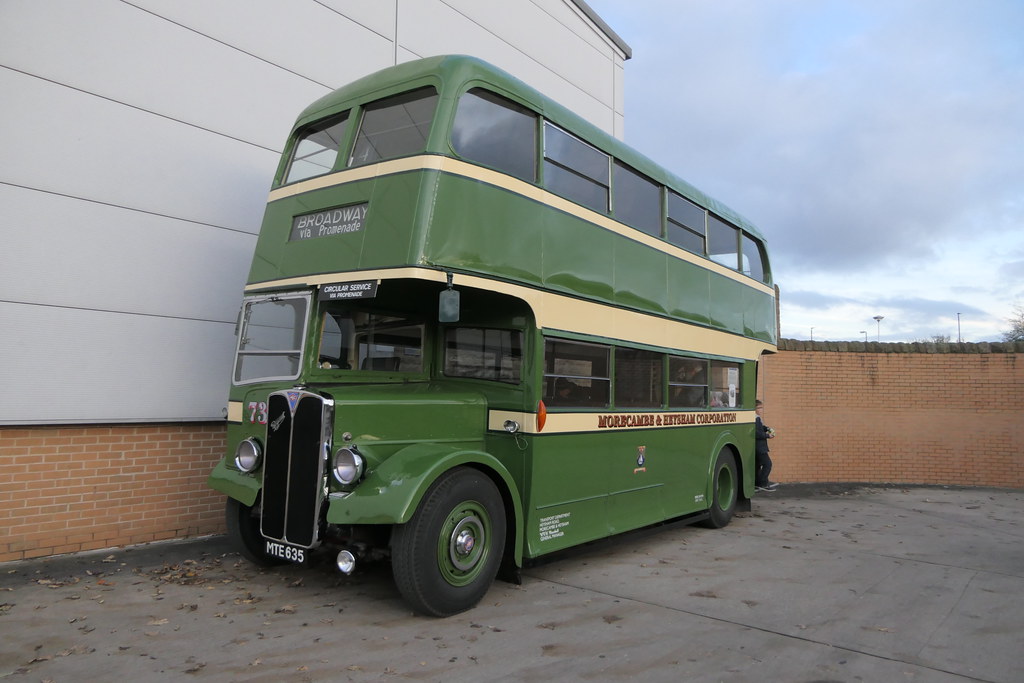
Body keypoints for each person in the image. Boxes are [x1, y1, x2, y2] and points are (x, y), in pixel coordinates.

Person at [754, 400, 777, 491]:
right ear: (754, 408)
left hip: (758, 447)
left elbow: (760, 428)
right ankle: (763, 483)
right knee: (767, 464)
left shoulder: (757, 418)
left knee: (757, 465)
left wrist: (767, 428)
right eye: (759, 408)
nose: (761, 410)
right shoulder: (755, 418)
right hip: (760, 447)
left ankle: (757, 482)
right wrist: (768, 435)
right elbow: (756, 433)